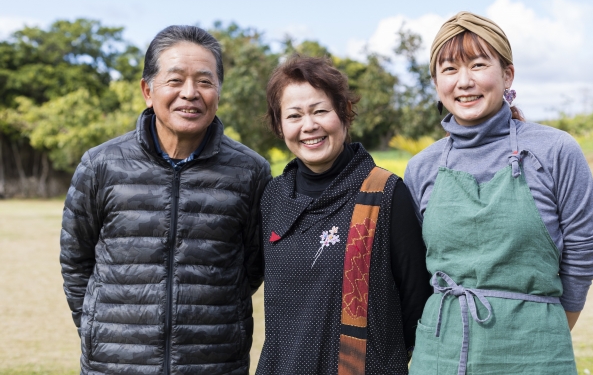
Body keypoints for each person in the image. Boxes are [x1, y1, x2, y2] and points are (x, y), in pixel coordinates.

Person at [60, 25, 271, 375]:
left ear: (219, 90)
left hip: (214, 362)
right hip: (114, 363)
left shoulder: (250, 172)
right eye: (175, 80)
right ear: (148, 89)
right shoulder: (100, 164)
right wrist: (97, 329)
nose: (190, 93)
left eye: (204, 81)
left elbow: (252, 267)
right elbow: (76, 260)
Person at [404, 12, 593, 374]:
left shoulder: (555, 150)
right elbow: (413, 270)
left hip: (536, 351)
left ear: (507, 74)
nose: (464, 82)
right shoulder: (421, 167)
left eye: (478, 65)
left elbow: (582, 250)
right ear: (436, 83)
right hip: (439, 354)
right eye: (449, 69)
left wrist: (545, 327)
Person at [256, 55, 431, 375]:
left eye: (320, 110)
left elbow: (417, 305)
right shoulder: (273, 197)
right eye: (294, 115)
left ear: (344, 114)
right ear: (280, 126)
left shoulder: (386, 195)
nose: (309, 126)